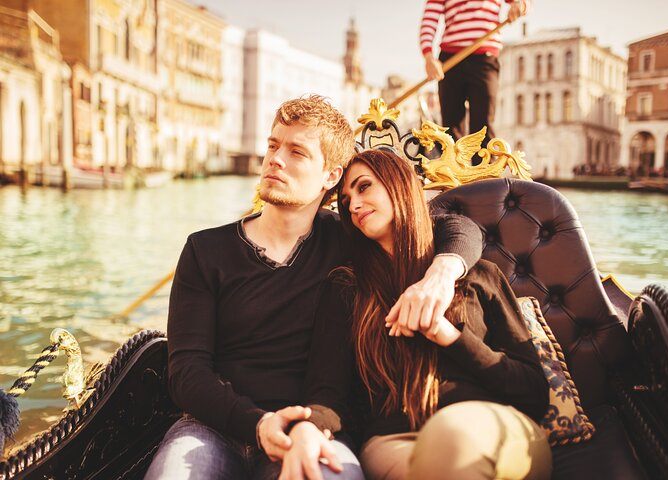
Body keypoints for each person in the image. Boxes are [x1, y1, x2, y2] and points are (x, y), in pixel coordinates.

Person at [144, 96, 484, 480]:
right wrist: (258, 424)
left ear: (330, 177)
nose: (275, 159)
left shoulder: (350, 240)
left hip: (315, 426)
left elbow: (455, 227)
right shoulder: (205, 250)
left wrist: (442, 271)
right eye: (273, 145)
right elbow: (187, 372)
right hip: (211, 427)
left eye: (296, 152)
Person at [270, 148, 552, 480]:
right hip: (393, 442)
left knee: (450, 438)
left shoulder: (478, 274)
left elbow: (534, 392)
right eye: (345, 201)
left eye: (364, 187)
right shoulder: (347, 289)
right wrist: (309, 428)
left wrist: (449, 336)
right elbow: (327, 390)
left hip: (493, 423)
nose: (354, 205)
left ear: (399, 185)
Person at [421, 0, 530, 154]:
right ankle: (453, 175)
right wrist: (428, 56)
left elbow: (522, 2)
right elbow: (429, 18)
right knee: (450, 129)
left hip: (485, 57)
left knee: (483, 126)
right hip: (451, 59)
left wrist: (520, 5)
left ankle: (485, 176)